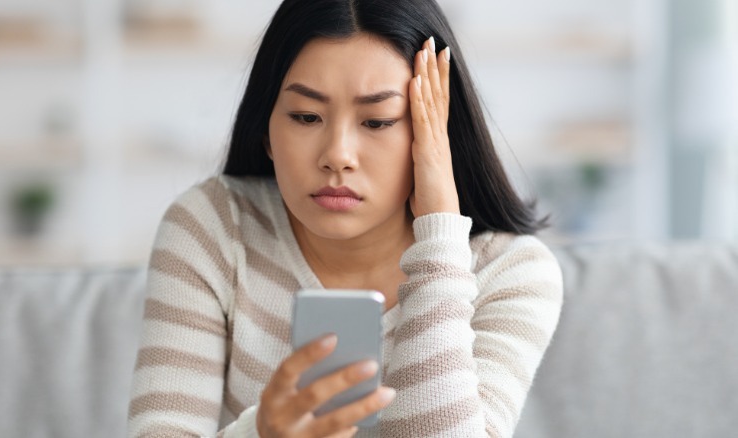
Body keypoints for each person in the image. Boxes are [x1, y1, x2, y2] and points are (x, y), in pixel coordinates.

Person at [126, 0, 563, 436]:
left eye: (377, 122)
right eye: (306, 116)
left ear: (436, 131)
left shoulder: (512, 272)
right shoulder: (214, 227)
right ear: (266, 131)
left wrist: (439, 243)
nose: (337, 155)